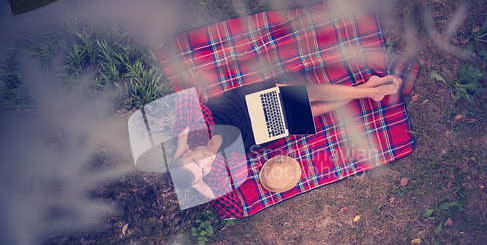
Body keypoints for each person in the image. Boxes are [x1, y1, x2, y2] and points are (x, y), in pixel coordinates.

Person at [169, 75, 402, 200]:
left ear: (187, 151)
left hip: (249, 103)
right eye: (204, 170)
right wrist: (198, 182)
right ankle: (369, 88)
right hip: (261, 130)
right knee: (314, 110)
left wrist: (181, 141)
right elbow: (228, 204)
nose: (207, 162)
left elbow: (186, 97)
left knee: (309, 95)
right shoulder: (218, 168)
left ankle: (371, 91)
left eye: (197, 161)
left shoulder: (196, 129)